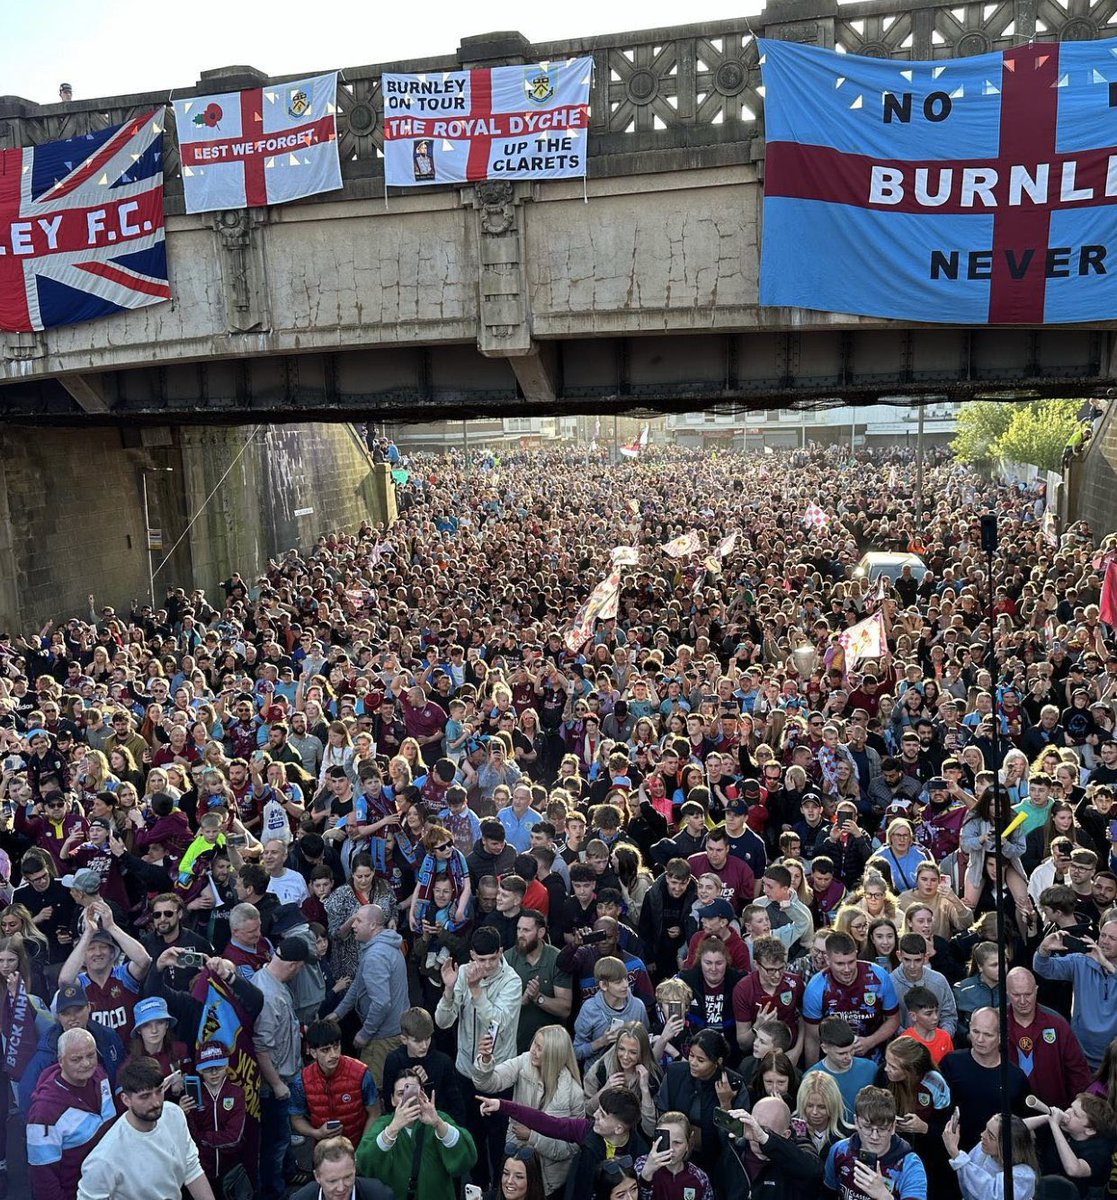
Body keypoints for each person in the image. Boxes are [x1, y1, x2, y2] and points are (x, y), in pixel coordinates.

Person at [435, 925, 524, 1189]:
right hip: (465, 1071)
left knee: (499, 1138)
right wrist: (449, 990)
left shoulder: (512, 981)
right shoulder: (463, 973)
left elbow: (498, 1023)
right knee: (472, 1135)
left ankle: (500, 1188)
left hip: (498, 1074)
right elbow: (443, 1022)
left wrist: (476, 991)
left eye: (492, 959)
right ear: (472, 954)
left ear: (500, 952)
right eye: (480, 960)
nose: (485, 966)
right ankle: (479, 1186)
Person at [75, 1055, 214, 1200]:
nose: (155, 1102)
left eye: (159, 1091)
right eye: (145, 1096)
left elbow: (191, 1168)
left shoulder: (174, 1114)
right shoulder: (104, 1158)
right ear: (126, 1100)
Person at [479, 1083, 649, 1200]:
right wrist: (502, 1105)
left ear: (619, 1129)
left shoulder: (638, 1153)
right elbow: (547, 1123)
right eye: (599, 1109)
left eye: (603, 1115)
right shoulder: (585, 1129)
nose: (595, 1115)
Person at [473, 1023, 585, 1196]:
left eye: (540, 1048)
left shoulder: (574, 1094)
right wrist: (486, 1061)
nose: (533, 1050)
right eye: (534, 1044)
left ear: (553, 1055)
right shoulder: (524, 1062)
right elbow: (489, 1082)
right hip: (515, 1165)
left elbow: (571, 1148)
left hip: (548, 1179)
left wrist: (533, 1137)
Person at [355, 1069, 477, 1200]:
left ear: (423, 1094)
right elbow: (364, 1163)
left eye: (413, 1092)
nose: (407, 1098)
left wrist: (438, 1124)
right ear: (392, 1100)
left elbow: (467, 1159)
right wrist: (393, 1129)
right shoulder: (383, 1125)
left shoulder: (440, 1119)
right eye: (401, 1093)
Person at [26, 1026, 116, 1200]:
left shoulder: (100, 1075)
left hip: (111, 1185)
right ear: (61, 1061)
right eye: (76, 1059)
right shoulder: (44, 1112)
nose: (86, 1063)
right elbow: (43, 1177)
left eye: (91, 1055)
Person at [252, 936, 310, 1200]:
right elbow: (261, 1048)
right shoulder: (269, 996)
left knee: (282, 1136)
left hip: (284, 1076)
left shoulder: (271, 981)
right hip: (274, 1084)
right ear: (294, 965)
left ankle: (288, 1172)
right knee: (274, 1144)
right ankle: (274, 1194)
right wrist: (276, 1085)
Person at [331, 903, 407, 1089]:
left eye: (358, 920)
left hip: (382, 1038)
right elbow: (358, 985)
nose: (353, 925)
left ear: (373, 925)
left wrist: (365, 1034)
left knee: (375, 1092)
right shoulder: (385, 945)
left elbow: (381, 1003)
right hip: (394, 1030)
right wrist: (337, 1014)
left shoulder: (376, 956)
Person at [802, 931, 900, 1063]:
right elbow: (812, 1038)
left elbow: (893, 1020)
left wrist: (870, 1041)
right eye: (840, 964)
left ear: (856, 954)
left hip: (874, 1059)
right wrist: (811, 1074)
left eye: (851, 962)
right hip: (833, 1062)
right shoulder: (816, 987)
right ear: (828, 960)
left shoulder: (878, 976)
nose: (847, 969)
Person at [1033, 913, 1117, 1067]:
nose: (1105, 941)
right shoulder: (1080, 961)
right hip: (1081, 1054)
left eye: (1112, 938)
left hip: (1113, 1060)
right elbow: (1043, 968)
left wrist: (1105, 963)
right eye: (1103, 935)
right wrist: (1044, 949)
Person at [939, 1007, 1031, 1147]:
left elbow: (1022, 1124)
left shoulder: (1014, 1078)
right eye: (975, 1032)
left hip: (995, 1157)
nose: (980, 1039)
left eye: (988, 1035)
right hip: (953, 1151)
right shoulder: (951, 1063)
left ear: (1001, 1036)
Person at [1004, 966, 1091, 1110]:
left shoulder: (1057, 1024)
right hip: (1009, 1113)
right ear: (1007, 993)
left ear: (1036, 990)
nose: (1023, 1001)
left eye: (1028, 994)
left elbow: (1078, 1071)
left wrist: (1075, 1109)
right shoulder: (998, 1023)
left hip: (1053, 1112)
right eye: (1016, 995)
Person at [290, 1016, 380, 1153]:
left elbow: (374, 1113)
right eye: (325, 1050)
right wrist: (317, 1133)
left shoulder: (361, 1074)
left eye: (336, 1046)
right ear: (313, 1052)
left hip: (356, 1149)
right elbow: (296, 1118)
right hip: (323, 1152)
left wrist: (362, 1150)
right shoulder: (302, 1081)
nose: (334, 1054)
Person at [823, 1085, 928, 1200]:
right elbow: (827, 1194)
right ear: (856, 1122)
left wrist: (884, 1196)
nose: (874, 1136)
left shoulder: (910, 1165)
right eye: (867, 1128)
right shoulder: (839, 1151)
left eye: (882, 1129)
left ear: (893, 1126)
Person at [723, 1098, 826, 1200]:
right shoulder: (735, 1149)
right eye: (754, 1125)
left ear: (786, 1134)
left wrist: (766, 1139)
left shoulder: (799, 1148)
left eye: (765, 1130)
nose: (755, 1132)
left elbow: (814, 1172)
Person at [942, 1109, 1038, 1200]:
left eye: (990, 1136)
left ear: (1008, 1146)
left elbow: (991, 1195)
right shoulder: (981, 1149)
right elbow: (966, 1184)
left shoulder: (1024, 1175)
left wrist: (956, 1155)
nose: (982, 1135)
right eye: (986, 1130)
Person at [804, 1017, 877, 1122]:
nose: (848, 1057)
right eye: (841, 1053)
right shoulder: (810, 1079)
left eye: (852, 1050)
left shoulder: (870, 1069)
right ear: (824, 1048)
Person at [634, 1111, 712, 1200]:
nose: (671, 1149)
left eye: (677, 1143)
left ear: (688, 1144)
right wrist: (647, 1174)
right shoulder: (642, 1164)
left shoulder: (699, 1177)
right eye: (665, 1142)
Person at [290, 1136, 396, 1200]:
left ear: (354, 1168)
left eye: (347, 1177)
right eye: (332, 1181)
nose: (341, 1188)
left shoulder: (381, 1196)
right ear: (317, 1176)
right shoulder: (301, 1198)